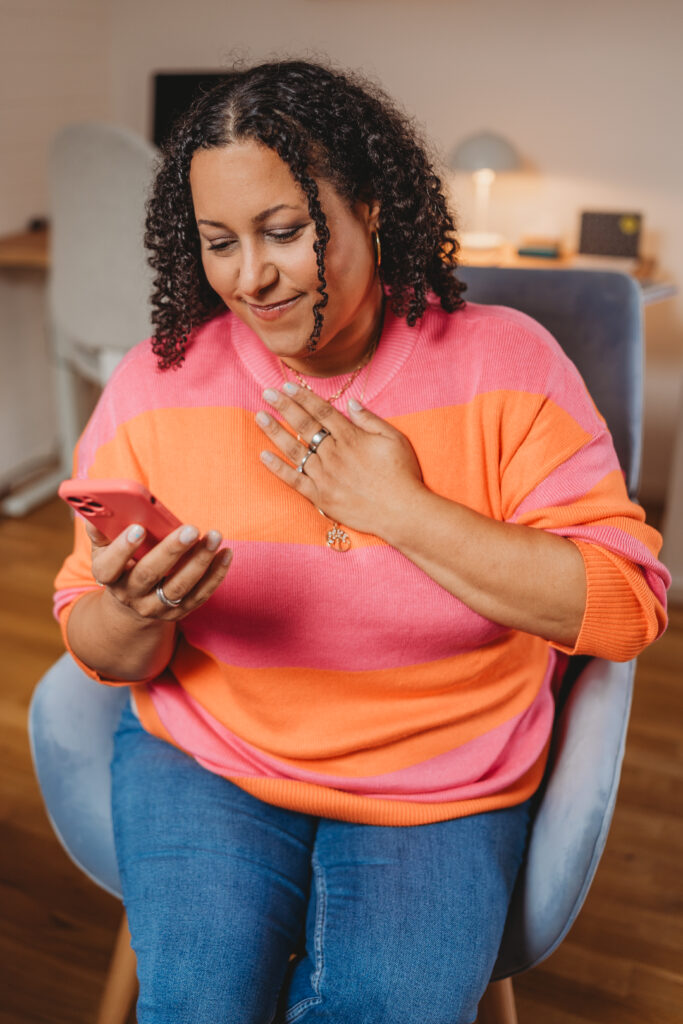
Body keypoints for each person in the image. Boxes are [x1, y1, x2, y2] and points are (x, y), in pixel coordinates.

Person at [54, 59, 669, 1024]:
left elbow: (626, 609)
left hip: (441, 780)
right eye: (219, 242)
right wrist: (132, 612)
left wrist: (403, 510)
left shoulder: (508, 361)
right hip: (209, 759)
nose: (250, 276)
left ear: (372, 207)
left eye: (286, 232)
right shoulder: (157, 379)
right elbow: (87, 640)